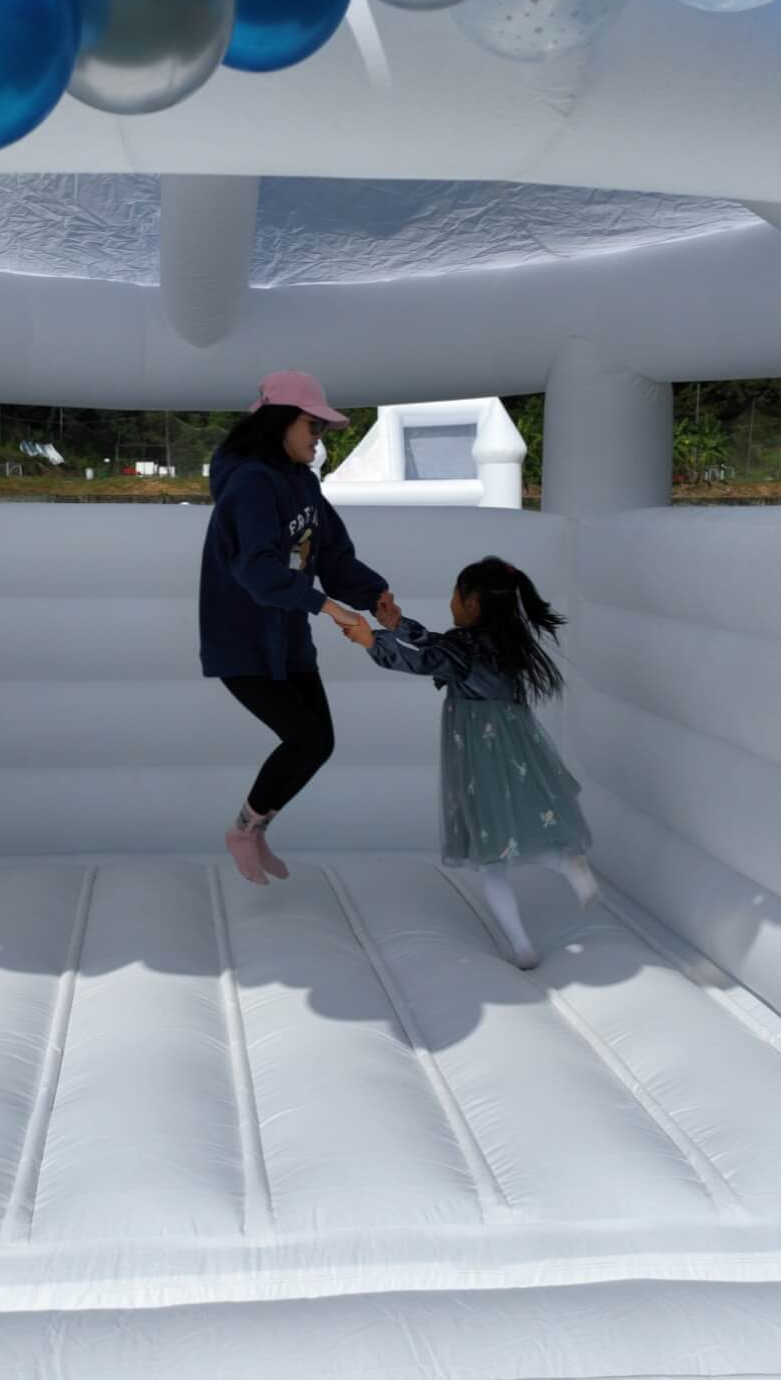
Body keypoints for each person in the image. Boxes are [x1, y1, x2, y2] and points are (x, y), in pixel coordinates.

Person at [340, 555, 597, 969]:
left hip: (477, 748)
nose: (451, 604)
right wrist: (396, 625)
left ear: (472, 605)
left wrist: (373, 642)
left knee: (488, 853)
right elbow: (440, 646)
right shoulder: (503, 642)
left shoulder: (464, 647)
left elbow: (426, 660)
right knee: (515, 825)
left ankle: (522, 946)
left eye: (455, 596)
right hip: (513, 740)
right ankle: (567, 862)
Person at [200, 371, 399, 886]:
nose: (319, 437)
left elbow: (331, 553)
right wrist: (328, 608)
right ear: (280, 422)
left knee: (318, 742)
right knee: (305, 739)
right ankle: (243, 831)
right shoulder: (247, 483)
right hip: (242, 643)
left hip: (287, 639)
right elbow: (258, 572)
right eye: (313, 425)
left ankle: (255, 827)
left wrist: (373, 595)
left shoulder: (303, 483)